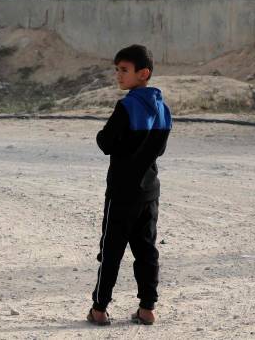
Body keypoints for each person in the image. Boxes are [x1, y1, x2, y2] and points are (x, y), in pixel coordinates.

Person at [87, 44, 172, 327]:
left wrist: (107, 137)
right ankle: (147, 308)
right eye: (117, 70)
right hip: (149, 192)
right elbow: (159, 151)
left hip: (122, 192)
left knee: (111, 250)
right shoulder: (163, 108)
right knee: (146, 250)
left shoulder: (126, 106)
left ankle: (99, 309)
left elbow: (105, 142)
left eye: (124, 70)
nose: (118, 75)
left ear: (143, 73)